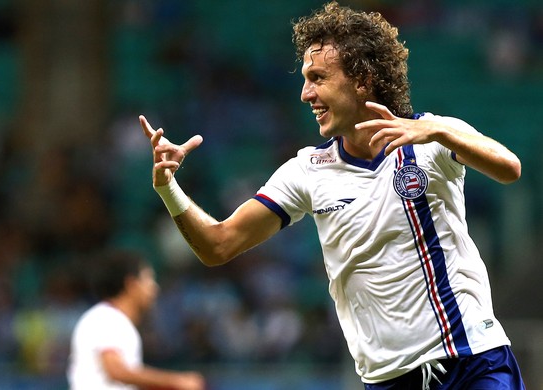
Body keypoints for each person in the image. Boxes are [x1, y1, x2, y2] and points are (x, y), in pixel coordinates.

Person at [140, 2, 526, 389]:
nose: (306, 93)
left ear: (361, 79)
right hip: (389, 379)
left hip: (471, 359)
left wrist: (440, 133)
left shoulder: (431, 137)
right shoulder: (307, 171)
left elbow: (508, 168)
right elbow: (218, 245)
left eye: (318, 77)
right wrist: (168, 188)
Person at [67, 250, 205, 390]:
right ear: (131, 284)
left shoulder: (109, 318)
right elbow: (116, 371)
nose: (154, 287)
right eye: (149, 279)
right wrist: (176, 381)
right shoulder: (107, 318)